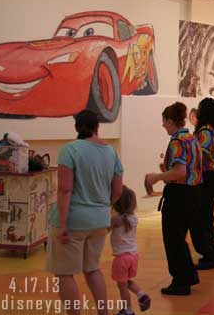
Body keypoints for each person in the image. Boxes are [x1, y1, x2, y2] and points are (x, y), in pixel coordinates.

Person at [47, 110, 123, 315]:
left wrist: (62, 224)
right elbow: (117, 191)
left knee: (64, 273)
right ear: (98, 127)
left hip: (74, 221)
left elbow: (65, 189)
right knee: (92, 269)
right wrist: (102, 209)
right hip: (99, 222)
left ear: (76, 127)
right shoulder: (111, 152)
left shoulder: (70, 150)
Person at [144, 102, 203, 295]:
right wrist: (167, 171)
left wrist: (157, 177)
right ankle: (188, 275)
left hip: (179, 196)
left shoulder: (177, 142)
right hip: (194, 193)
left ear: (170, 121)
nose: (163, 125)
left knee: (173, 238)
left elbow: (179, 172)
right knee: (179, 237)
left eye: (164, 122)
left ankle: (181, 281)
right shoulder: (192, 139)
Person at [192, 98, 214, 269]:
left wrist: (186, 166)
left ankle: (209, 254)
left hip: (208, 176)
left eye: (199, 108)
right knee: (206, 213)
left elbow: (202, 156)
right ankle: (212, 249)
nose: (197, 111)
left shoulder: (205, 132)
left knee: (201, 215)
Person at [110, 186, 151, 315]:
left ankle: (128, 310)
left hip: (121, 259)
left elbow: (103, 228)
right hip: (133, 256)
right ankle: (141, 294)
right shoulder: (133, 219)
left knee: (122, 287)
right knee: (126, 282)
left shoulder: (115, 220)